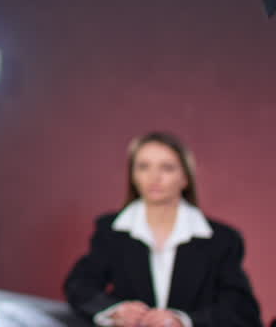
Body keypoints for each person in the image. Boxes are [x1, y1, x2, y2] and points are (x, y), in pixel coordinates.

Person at [63, 131, 261, 327]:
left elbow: (241, 309)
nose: (154, 177)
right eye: (143, 167)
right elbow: (79, 285)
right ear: (133, 175)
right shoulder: (112, 231)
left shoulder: (221, 240)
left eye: (166, 168)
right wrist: (114, 310)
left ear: (185, 177)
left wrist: (184, 321)